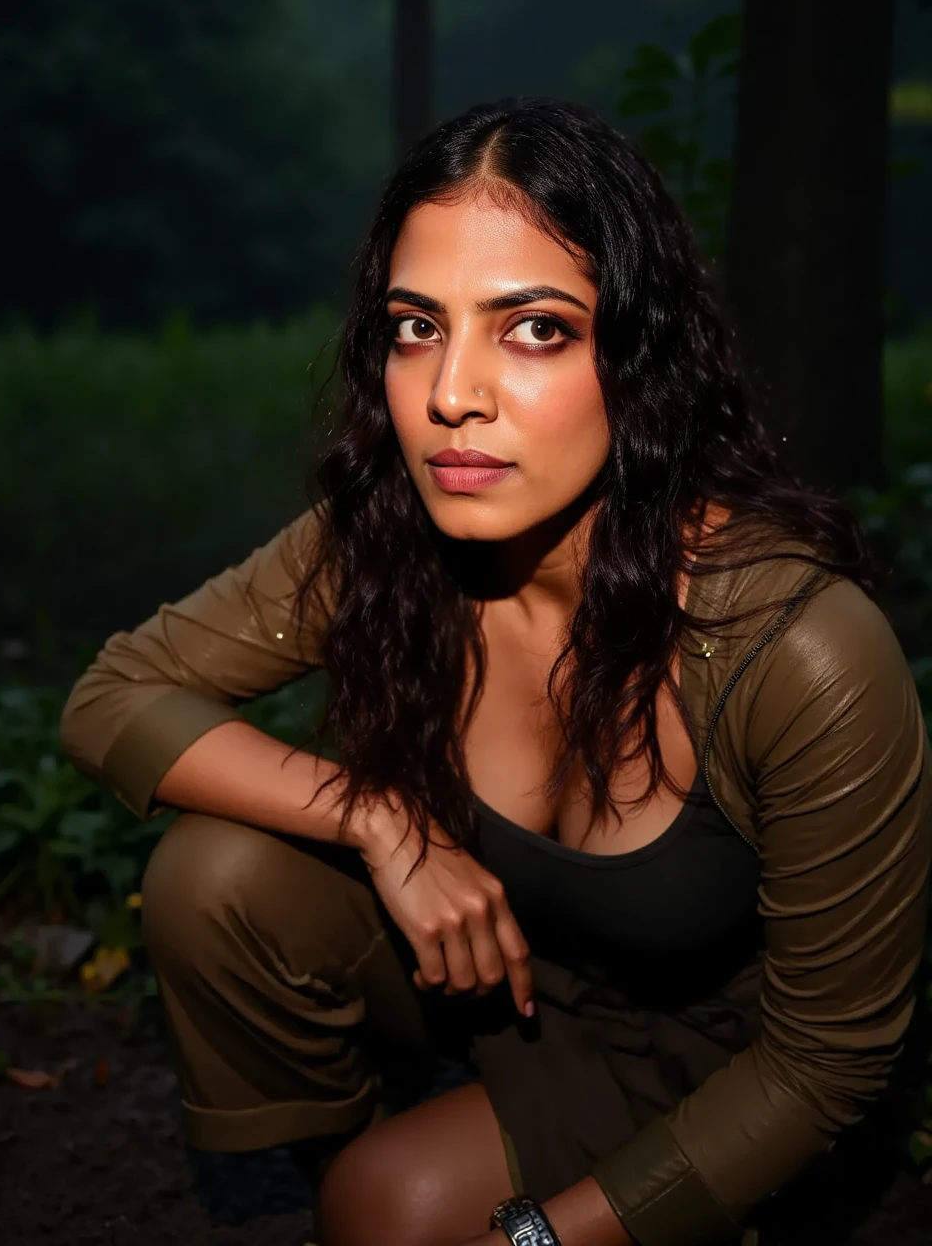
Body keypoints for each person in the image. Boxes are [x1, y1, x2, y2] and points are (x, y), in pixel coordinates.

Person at [60, 97, 932, 1246]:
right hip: (523, 1012)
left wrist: (537, 1241)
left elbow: (829, 1059)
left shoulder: (794, 646)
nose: (450, 395)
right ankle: (378, 1143)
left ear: (638, 353)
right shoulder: (389, 541)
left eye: (532, 329)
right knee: (219, 882)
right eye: (418, 327)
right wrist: (380, 820)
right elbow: (111, 696)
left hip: (736, 1078)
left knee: (411, 1217)